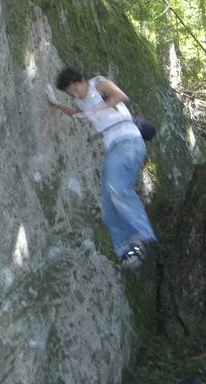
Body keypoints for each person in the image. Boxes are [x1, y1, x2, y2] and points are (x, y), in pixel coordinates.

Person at [45, 67, 157, 271]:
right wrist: (55, 103)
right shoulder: (80, 101)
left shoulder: (98, 83)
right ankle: (125, 250)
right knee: (108, 200)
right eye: (70, 94)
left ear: (80, 81)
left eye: (73, 90)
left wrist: (96, 110)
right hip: (113, 147)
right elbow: (76, 112)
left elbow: (121, 96)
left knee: (116, 188)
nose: (74, 95)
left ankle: (141, 235)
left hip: (128, 141)